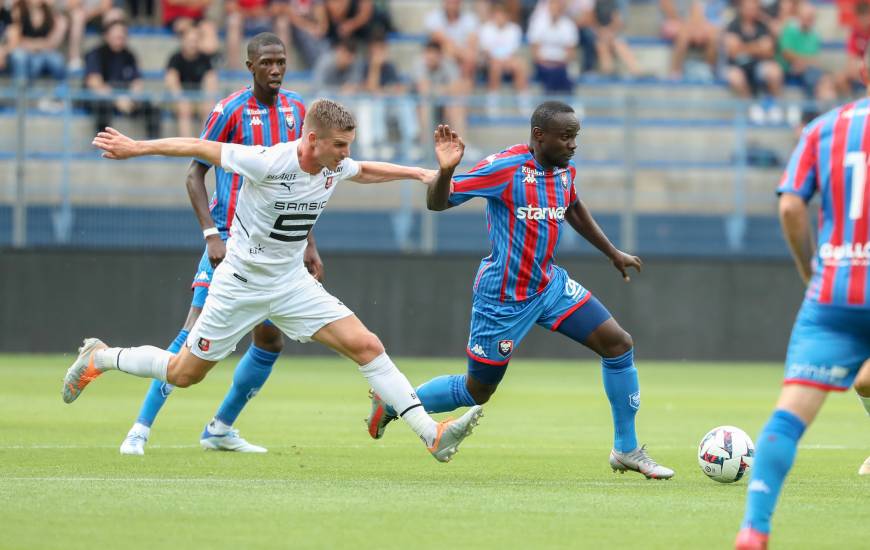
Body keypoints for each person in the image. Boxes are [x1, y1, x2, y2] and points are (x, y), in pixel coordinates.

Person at [65, 98, 484, 464]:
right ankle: (100, 357)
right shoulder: (267, 161)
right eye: (339, 144)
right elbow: (198, 147)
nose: (346, 153)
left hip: (290, 284)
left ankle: (432, 435)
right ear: (312, 139)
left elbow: (365, 170)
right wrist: (137, 147)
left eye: (348, 145)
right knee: (183, 374)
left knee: (367, 346)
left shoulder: (333, 165)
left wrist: (420, 174)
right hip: (240, 285)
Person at [365, 102, 675, 480]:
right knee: (477, 390)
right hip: (503, 300)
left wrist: (612, 253)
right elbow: (437, 203)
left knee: (618, 344)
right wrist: (446, 171)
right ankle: (396, 402)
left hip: (549, 286)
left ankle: (626, 449)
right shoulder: (504, 169)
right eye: (566, 137)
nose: (573, 145)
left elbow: (573, 205)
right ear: (539, 135)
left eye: (576, 136)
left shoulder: (563, 170)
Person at [117, 33, 309, 456]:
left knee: (270, 341)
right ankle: (139, 428)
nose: (276, 70)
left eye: (281, 62)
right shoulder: (230, 110)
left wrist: (309, 243)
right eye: (267, 63)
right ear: (250, 66)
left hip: (278, 245)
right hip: (231, 241)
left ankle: (220, 428)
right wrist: (211, 234)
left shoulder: (298, 110)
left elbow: (301, 185)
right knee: (191, 335)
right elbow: (193, 173)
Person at [734, 48, 870, 550]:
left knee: (788, 417)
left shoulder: (823, 128)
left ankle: (755, 528)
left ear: (862, 72)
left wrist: (810, 269)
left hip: (834, 290)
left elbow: (791, 205)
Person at [83, 19, 160, 138]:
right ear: (107, 36)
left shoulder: (129, 55)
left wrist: (132, 97)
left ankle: (154, 146)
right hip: (104, 98)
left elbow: (137, 82)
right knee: (102, 106)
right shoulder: (97, 53)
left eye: (122, 35)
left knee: (151, 108)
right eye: (116, 35)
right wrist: (116, 99)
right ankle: (103, 144)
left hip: (126, 98)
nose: (119, 37)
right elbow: (94, 82)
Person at [723, 0, 784, 124]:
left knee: (774, 70)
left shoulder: (762, 26)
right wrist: (757, 47)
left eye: (755, 7)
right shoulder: (733, 25)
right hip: (738, 66)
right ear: (741, 9)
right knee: (734, 76)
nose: (752, 10)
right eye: (749, 7)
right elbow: (733, 51)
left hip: (758, 66)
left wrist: (743, 47)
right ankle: (751, 106)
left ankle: (774, 105)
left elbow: (769, 51)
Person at [164, 25, 218, 137]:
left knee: (209, 109)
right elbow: (171, 80)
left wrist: (208, 98)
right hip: (179, 98)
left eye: (195, 41)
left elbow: (210, 79)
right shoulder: (175, 58)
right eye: (190, 41)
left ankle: (204, 145)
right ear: (183, 41)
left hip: (199, 97)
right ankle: (187, 147)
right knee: (184, 110)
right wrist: (180, 98)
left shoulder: (205, 59)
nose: (193, 44)